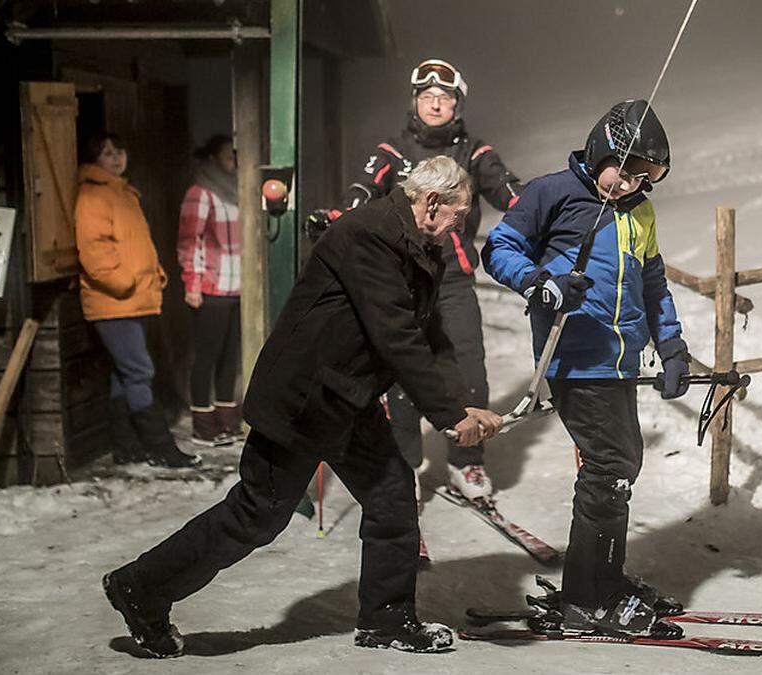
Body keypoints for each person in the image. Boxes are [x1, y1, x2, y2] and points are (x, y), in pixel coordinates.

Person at [103, 156, 504, 657]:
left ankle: (387, 620)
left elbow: (430, 334)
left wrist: (461, 403)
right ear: (431, 203)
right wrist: (450, 416)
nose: (459, 226)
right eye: (457, 216)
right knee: (258, 514)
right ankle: (140, 587)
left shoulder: (421, 244)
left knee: (392, 499)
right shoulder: (371, 235)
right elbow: (394, 334)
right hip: (304, 397)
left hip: (349, 396)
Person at [482, 100, 690, 638]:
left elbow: (652, 284)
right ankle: (587, 595)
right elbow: (500, 247)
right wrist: (541, 283)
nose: (631, 184)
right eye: (626, 169)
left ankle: (603, 579)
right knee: (610, 465)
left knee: (620, 465)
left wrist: (670, 346)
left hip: (619, 360)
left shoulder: (639, 211)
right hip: (573, 353)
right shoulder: (553, 192)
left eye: (647, 176)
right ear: (601, 150)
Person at [308, 58, 523, 503]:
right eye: (427, 97)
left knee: (468, 372)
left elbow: (508, 191)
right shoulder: (393, 151)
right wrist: (339, 217)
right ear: (416, 102)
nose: (435, 104)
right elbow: (360, 192)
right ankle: (404, 465)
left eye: (444, 98)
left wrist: (542, 209)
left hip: (454, 281)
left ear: (457, 105)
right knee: (402, 374)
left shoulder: (474, 152)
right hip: (403, 279)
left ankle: (467, 463)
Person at [74, 131, 201, 469]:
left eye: (119, 151)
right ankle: (160, 446)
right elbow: (95, 252)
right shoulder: (93, 196)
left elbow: (136, 245)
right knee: (139, 370)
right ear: (93, 160)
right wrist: (125, 282)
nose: (115, 158)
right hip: (114, 300)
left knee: (124, 373)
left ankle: (126, 446)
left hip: (134, 298)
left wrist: (154, 274)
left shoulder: (123, 193)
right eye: (106, 153)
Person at [177, 134, 243, 447]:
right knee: (207, 356)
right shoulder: (200, 191)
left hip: (239, 285)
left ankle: (227, 421)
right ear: (214, 158)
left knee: (230, 358)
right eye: (229, 156)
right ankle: (203, 424)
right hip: (212, 285)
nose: (234, 162)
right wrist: (192, 283)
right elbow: (190, 241)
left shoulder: (238, 191)